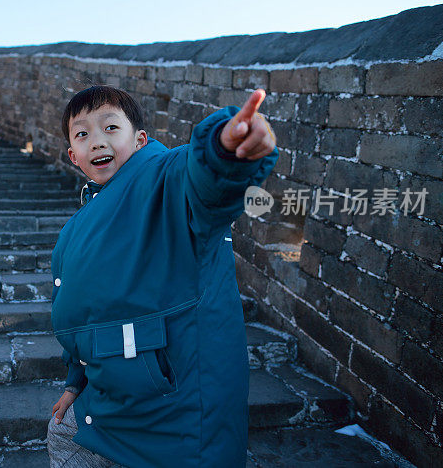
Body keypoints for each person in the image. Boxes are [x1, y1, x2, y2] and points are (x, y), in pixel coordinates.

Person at [47, 85, 278, 467]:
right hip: (110, 398)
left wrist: (225, 152)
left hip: (171, 406)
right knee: (60, 432)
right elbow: (84, 315)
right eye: (83, 134)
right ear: (74, 155)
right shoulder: (77, 227)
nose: (97, 142)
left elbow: (205, 180)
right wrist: (76, 382)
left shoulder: (165, 177)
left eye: (110, 128)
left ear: (140, 140)